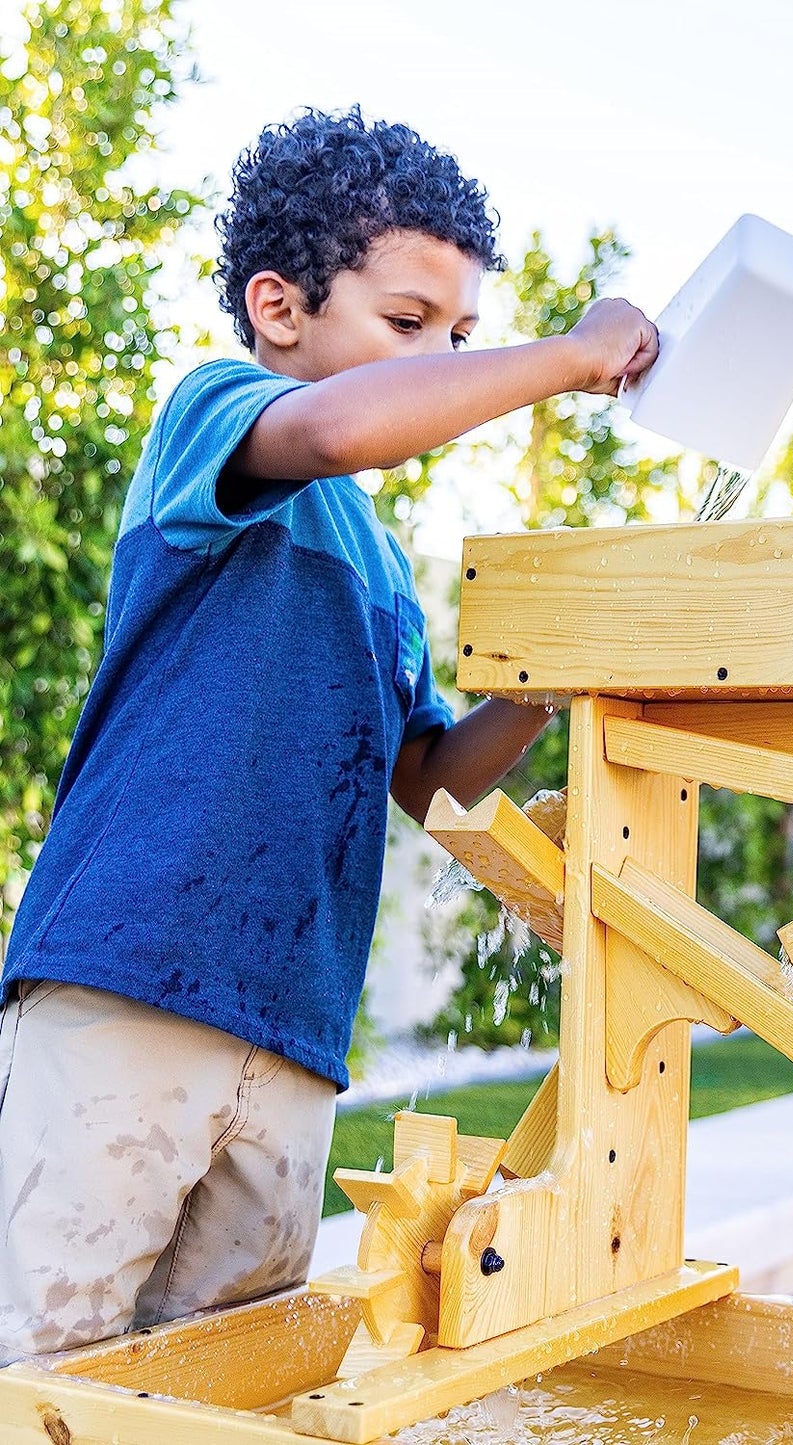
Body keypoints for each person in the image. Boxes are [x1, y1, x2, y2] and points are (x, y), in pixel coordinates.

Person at [0, 107, 658, 1358]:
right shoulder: (221, 412)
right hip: (128, 989)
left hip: (294, 1030)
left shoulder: (382, 567)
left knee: (229, 1378)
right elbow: (340, 428)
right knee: (47, 1363)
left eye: (457, 335)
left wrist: (556, 676)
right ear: (279, 307)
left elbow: (432, 777)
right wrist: (566, 356)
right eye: (410, 326)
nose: (441, 359)